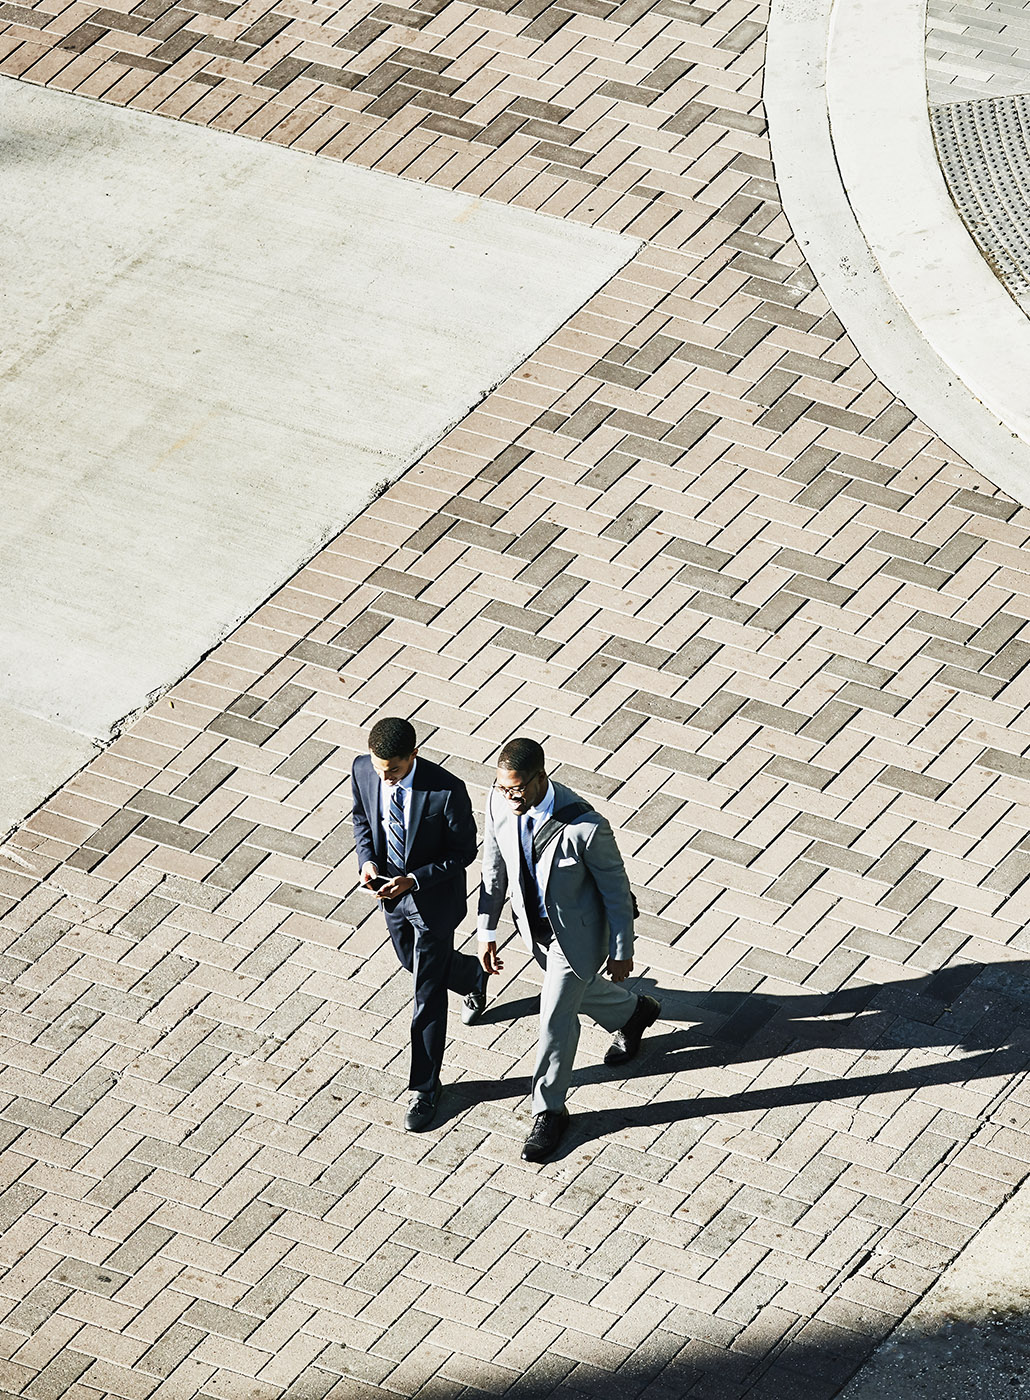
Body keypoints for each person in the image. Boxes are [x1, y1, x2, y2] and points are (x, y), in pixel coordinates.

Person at [478, 736, 661, 1161]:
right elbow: (493, 865)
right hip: (534, 930)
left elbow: (616, 892)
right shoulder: (497, 800)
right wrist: (487, 930)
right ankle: (634, 1012)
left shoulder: (585, 826)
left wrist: (622, 949)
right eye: (503, 788)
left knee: (555, 1018)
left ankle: (550, 1111)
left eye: (517, 789)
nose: (509, 797)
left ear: (541, 778)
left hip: (577, 936)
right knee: (577, 991)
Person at [352, 717, 486, 1132]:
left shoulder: (447, 791)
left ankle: (425, 1088)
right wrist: (367, 862)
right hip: (389, 897)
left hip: (433, 904)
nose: (384, 777)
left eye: (391, 769)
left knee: (425, 994)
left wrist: (415, 879)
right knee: (411, 965)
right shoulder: (362, 769)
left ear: (413, 754)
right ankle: (469, 975)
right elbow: (361, 820)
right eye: (378, 767)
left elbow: (464, 852)